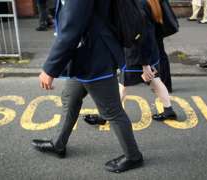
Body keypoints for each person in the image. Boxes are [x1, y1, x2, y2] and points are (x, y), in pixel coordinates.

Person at [31, 0, 144, 173]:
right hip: (84, 56)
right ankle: (58, 144)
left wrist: (49, 69)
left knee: (112, 111)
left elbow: (70, 30)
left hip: (96, 59)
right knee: (70, 98)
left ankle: (133, 156)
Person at [84, 0, 177, 126]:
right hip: (149, 52)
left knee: (122, 86)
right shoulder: (150, 2)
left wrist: (145, 65)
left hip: (137, 56)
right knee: (156, 81)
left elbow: (142, 37)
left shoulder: (139, 4)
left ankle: (104, 116)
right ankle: (169, 110)